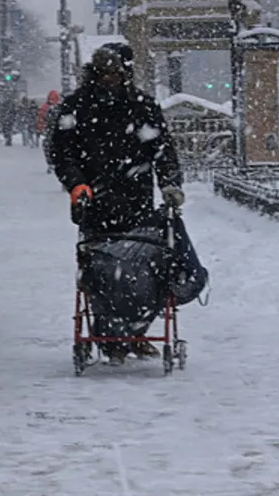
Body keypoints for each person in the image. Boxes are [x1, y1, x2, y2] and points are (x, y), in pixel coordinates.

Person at [49, 42, 184, 364]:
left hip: (137, 201)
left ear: (124, 74)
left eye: (114, 72)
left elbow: (162, 150)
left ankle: (136, 333)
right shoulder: (76, 107)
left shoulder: (142, 106)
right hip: (94, 203)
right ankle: (111, 338)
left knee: (146, 270)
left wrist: (170, 183)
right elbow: (62, 153)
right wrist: (76, 184)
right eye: (103, 73)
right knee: (103, 272)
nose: (108, 78)